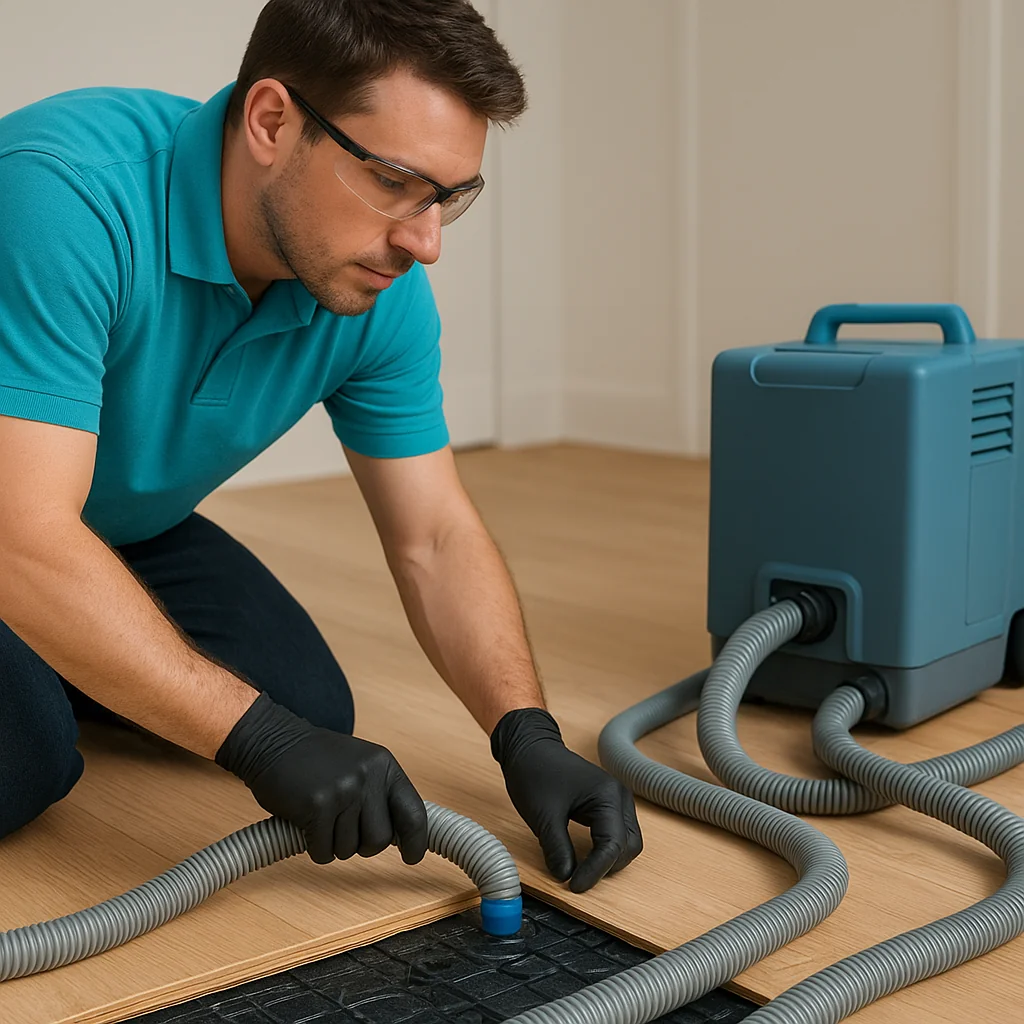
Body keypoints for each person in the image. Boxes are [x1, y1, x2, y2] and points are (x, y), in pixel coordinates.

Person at [0, 0, 642, 894]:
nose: (425, 243)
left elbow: (434, 535)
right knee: (23, 759)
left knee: (309, 705)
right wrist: (259, 741)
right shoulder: (62, 196)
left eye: (449, 198)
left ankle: (57, 639)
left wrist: (526, 733)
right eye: (395, 181)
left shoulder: (375, 287)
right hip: (17, 522)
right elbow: (21, 531)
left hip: (102, 522)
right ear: (272, 121)